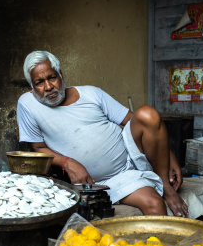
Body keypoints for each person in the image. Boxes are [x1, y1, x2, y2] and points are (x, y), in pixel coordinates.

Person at [16, 50, 188, 217]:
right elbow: (38, 147)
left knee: (147, 114)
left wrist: (168, 155)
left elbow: (135, 121)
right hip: (103, 182)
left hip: (133, 155)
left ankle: (165, 186)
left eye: (52, 77)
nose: (48, 87)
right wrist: (68, 163)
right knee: (154, 204)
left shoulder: (91, 93)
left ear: (61, 75)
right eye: (39, 82)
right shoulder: (28, 104)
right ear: (32, 87)